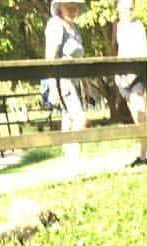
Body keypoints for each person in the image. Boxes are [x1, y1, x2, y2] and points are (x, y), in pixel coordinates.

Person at [44, 1, 88, 164]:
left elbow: (78, 59)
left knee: (68, 119)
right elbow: (50, 58)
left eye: (74, 7)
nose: (71, 10)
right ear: (60, 8)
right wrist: (52, 87)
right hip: (62, 80)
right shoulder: (56, 25)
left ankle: (70, 160)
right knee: (80, 117)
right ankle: (76, 158)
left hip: (75, 80)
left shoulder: (75, 28)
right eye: (68, 6)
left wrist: (86, 84)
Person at [113, 0, 147, 167]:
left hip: (136, 78)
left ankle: (143, 156)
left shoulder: (138, 26)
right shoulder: (118, 26)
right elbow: (119, 51)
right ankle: (142, 156)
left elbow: (144, 52)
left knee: (141, 115)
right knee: (136, 118)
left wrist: (132, 76)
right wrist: (117, 74)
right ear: (118, 8)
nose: (127, 11)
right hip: (122, 77)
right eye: (124, 8)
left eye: (130, 8)